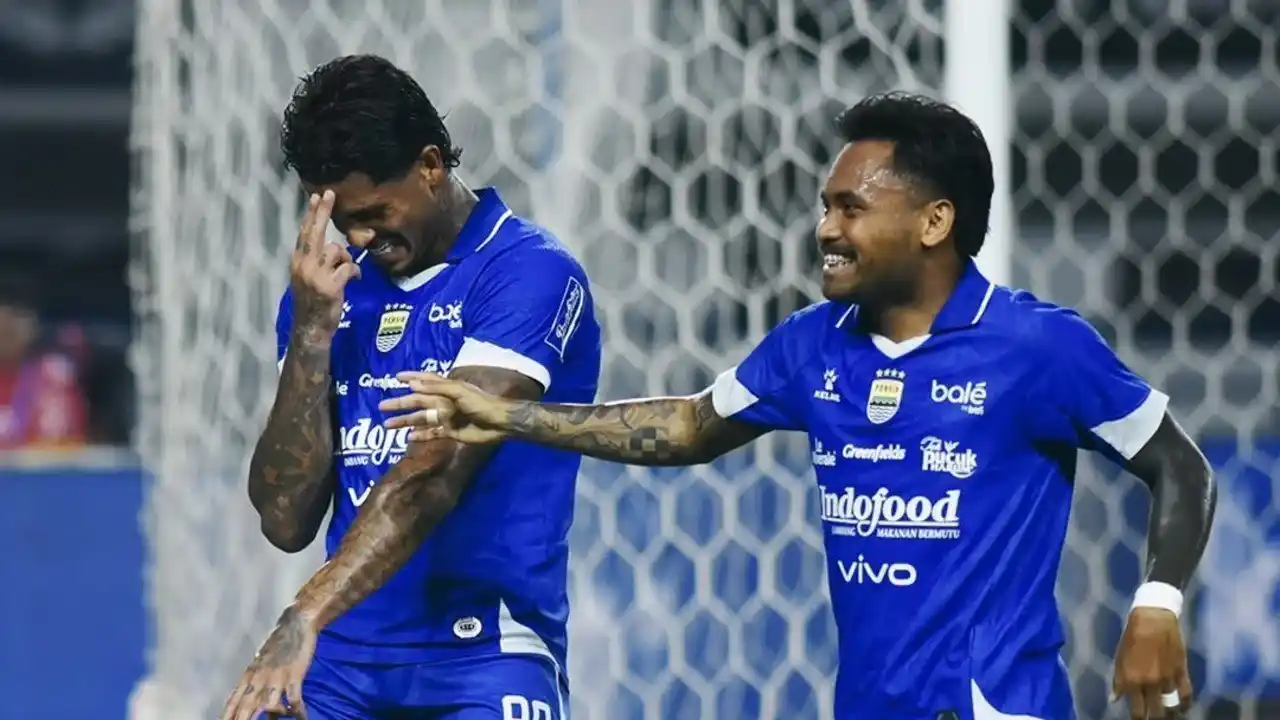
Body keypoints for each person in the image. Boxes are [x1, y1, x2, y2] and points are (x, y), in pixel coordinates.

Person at [378, 93, 1217, 720]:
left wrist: (1158, 604)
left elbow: (1180, 465)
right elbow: (689, 426)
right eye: (825, 206)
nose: (826, 229)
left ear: (934, 221)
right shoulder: (813, 345)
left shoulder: (1036, 347)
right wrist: (511, 417)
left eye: (852, 207)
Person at [221, 54, 601, 720]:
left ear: (430, 166)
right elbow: (284, 520)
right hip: (342, 660)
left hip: (485, 655)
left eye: (374, 212)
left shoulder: (527, 274)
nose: (360, 236)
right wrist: (309, 334)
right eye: (343, 221)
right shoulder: (330, 293)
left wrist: (302, 613)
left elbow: (433, 475)